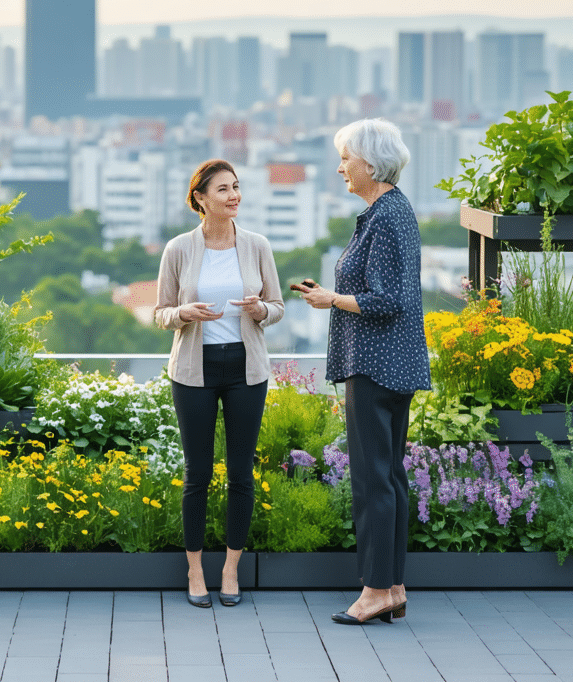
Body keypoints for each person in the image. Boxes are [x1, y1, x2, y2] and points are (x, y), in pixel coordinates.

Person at [293, 118, 430, 626]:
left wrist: (330, 299)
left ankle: (374, 591)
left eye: (346, 157)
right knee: (388, 477)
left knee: (374, 481)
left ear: (370, 164)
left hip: (376, 365)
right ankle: (391, 586)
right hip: (389, 363)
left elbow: (387, 300)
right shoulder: (388, 212)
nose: (340, 167)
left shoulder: (387, 216)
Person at [154, 159, 284, 609]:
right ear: (201, 199)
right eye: (223, 189)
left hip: (246, 370)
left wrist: (260, 310)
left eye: (236, 187)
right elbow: (161, 313)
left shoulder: (257, 245)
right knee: (198, 474)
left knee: (241, 473)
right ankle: (195, 571)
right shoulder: (178, 249)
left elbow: (277, 305)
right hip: (194, 371)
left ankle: (230, 569)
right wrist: (184, 315)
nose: (234, 196)